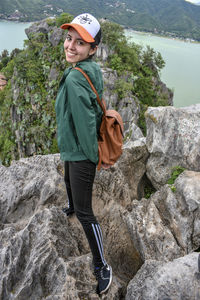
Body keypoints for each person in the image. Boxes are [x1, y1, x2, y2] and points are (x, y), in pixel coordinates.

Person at [55, 13, 112, 295]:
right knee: (69, 185)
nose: (70, 46)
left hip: (81, 153)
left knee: (87, 214)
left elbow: (87, 124)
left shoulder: (77, 78)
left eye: (80, 42)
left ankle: (102, 265)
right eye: (69, 38)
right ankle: (71, 205)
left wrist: (91, 159)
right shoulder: (88, 68)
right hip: (72, 147)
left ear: (92, 49)